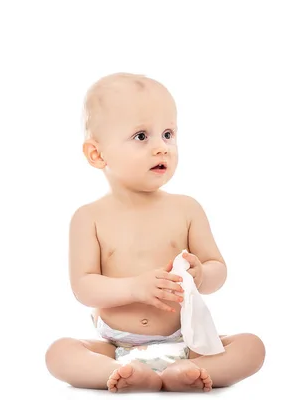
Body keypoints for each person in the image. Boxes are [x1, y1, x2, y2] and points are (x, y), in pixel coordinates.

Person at [45, 72, 265, 393]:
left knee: (251, 346)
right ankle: (123, 372)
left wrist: (201, 274)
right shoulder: (88, 217)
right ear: (97, 154)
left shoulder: (187, 209)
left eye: (168, 134)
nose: (161, 148)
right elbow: (85, 287)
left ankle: (187, 370)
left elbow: (218, 270)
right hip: (117, 346)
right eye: (141, 137)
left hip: (185, 342)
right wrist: (135, 288)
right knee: (59, 353)